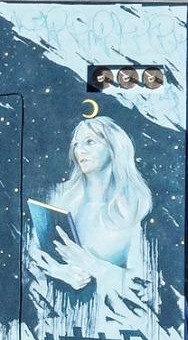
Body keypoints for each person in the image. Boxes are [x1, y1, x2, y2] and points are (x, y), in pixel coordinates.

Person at [33, 116, 154, 316]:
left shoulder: (135, 207)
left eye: (90, 142)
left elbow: (145, 287)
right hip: (59, 320)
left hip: (114, 324)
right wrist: (59, 272)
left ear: (115, 147)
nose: (80, 150)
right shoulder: (60, 196)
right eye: (76, 144)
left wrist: (94, 266)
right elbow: (33, 254)